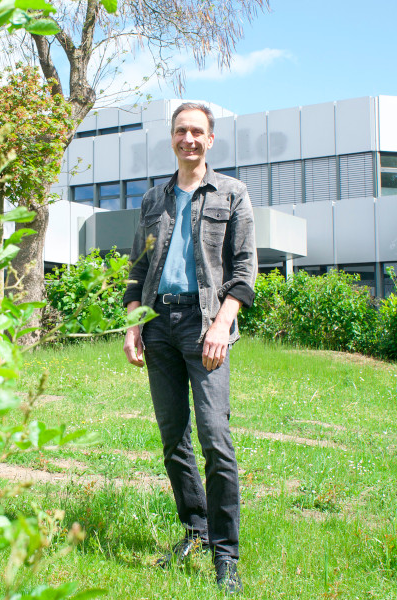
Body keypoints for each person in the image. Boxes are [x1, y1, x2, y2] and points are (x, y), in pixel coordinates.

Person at [122, 102, 257, 594]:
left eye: (197, 132)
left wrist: (223, 324)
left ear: (210, 139)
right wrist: (133, 324)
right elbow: (138, 269)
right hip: (158, 324)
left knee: (215, 437)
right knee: (173, 438)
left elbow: (243, 270)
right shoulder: (154, 199)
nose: (189, 139)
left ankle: (227, 556)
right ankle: (195, 531)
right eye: (181, 131)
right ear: (172, 138)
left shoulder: (232, 194)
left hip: (205, 327)